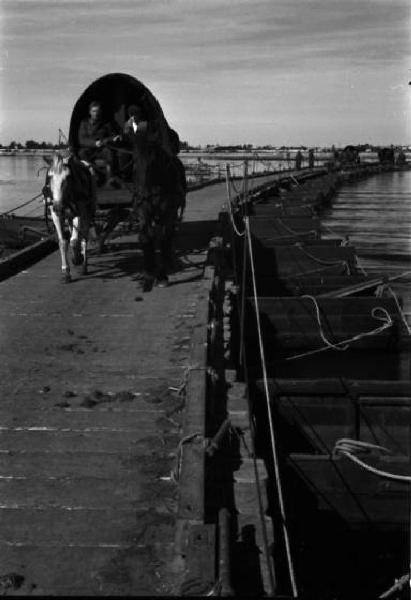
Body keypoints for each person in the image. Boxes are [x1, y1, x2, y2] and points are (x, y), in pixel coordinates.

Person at [78, 101, 122, 186]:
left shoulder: (106, 124)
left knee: (109, 152)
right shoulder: (84, 124)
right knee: (82, 153)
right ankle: (94, 176)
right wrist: (94, 143)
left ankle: (111, 178)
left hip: (102, 149)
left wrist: (114, 139)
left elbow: (111, 136)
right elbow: (82, 140)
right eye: (94, 111)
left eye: (97, 111)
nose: (96, 114)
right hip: (89, 150)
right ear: (90, 112)